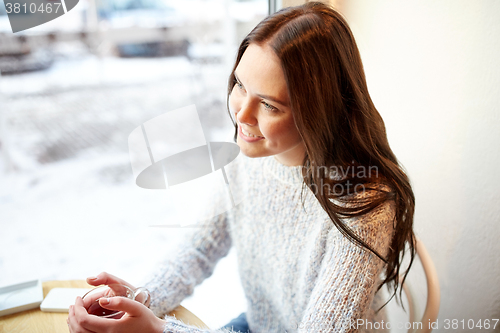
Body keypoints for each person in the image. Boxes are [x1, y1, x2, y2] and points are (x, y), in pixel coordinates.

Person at [67, 2, 415, 332]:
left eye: (269, 104)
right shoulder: (248, 159)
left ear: (320, 111)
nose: (241, 115)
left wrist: (158, 329)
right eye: (240, 85)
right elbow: (199, 248)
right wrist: (137, 299)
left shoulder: (364, 203)